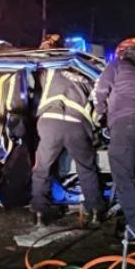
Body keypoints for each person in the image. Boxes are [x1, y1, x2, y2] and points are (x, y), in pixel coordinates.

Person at [93, 37, 135, 240]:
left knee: (124, 179)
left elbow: (100, 90)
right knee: (134, 176)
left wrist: (99, 113)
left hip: (126, 124)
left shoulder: (116, 65)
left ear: (122, 52)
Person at [30, 65, 105, 229]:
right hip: (76, 124)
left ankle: (39, 214)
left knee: (42, 169)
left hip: (50, 122)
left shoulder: (51, 69)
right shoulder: (89, 76)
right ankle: (95, 212)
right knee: (86, 168)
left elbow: (37, 83)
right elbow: (98, 109)